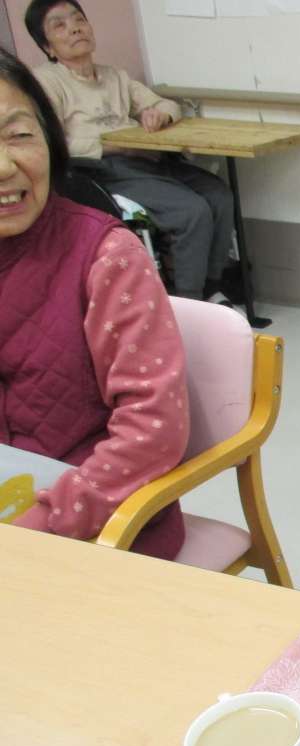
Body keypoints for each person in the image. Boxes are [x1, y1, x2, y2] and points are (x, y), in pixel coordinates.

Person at [0, 48, 189, 560]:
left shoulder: (107, 257)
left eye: (19, 135)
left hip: (102, 523)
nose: (4, 166)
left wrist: (41, 523)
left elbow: (153, 429)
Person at [24, 0, 235, 303]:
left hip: (146, 160)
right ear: (47, 46)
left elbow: (166, 104)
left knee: (219, 195)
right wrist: (113, 143)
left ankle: (212, 286)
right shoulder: (46, 83)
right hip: (102, 171)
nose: (75, 29)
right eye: (60, 25)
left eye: (79, 19)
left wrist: (159, 114)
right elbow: (50, 141)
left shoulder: (114, 76)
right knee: (192, 211)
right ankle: (190, 301)